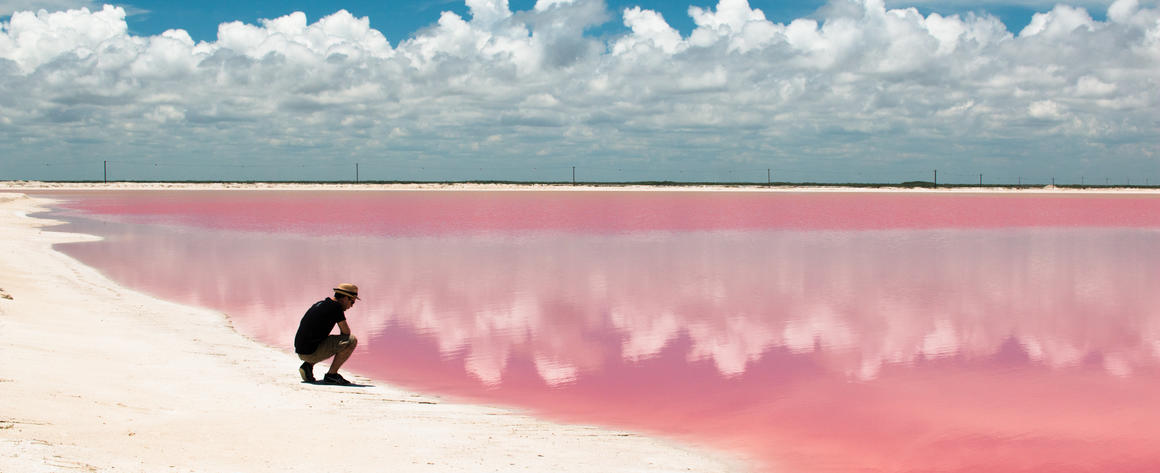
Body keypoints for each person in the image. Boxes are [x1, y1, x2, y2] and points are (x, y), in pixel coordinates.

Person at [294, 283, 360, 385]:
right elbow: (346, 333)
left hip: (301, 350)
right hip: (310, 353)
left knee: (328, 339)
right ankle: (332, 375)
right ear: (345, 298)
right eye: (352, 302)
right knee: (351, 340)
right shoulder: (336, 307)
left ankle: (308, 366)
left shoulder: (320, 303)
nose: (351, 306)